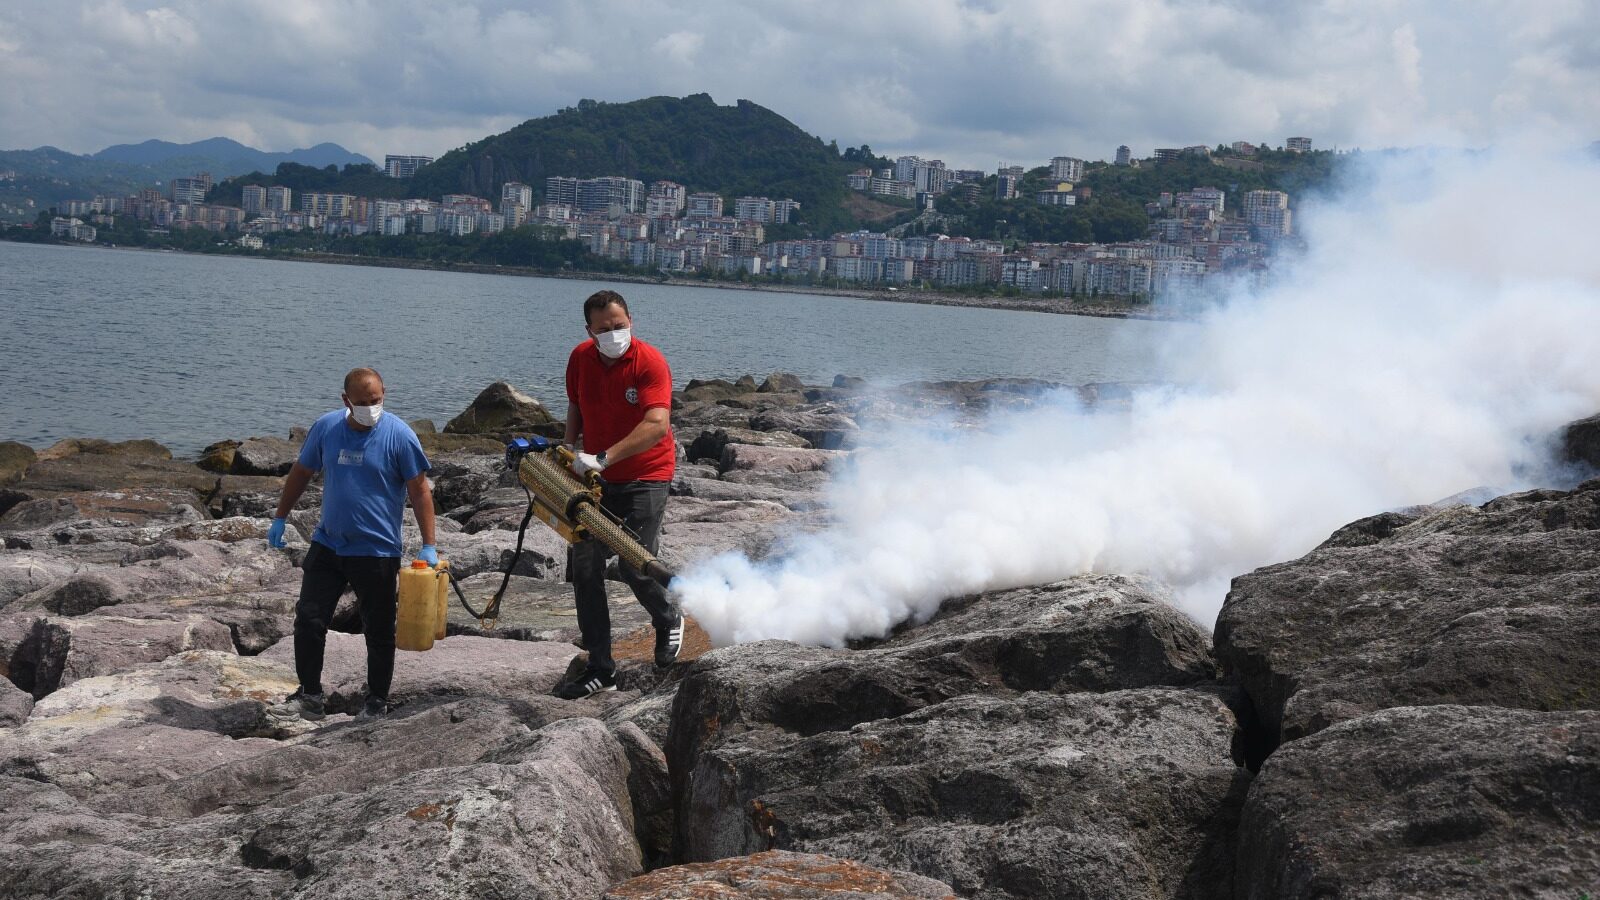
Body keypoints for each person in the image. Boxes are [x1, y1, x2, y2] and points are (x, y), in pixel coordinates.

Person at [267, 367, 435, 719]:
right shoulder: (327, 428)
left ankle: (376, 701)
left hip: (376, 551)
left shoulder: (399, 436)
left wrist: (428, 544)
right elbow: (302, 471)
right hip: (328, 544)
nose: (370, 408)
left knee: (377, 630)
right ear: (346, 401)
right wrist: (281, 516)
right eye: (362, 402)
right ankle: (310, 696)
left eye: (376, 400)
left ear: (384, 393)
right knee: (309, 621)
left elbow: (419, 490)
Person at [558, 289, 683, 699]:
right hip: (597, 479)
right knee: (586, 568)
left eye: (620, 325)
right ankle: (601, 667)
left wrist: (603, 457)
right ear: (589, 331)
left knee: (633, 562)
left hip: (646, 474)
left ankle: (667, 619)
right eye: (604, 329)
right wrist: (569, 448)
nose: (614, 334)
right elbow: (576, 403)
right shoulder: (580, 358)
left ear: (631, 321)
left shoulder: (648, 362)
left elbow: (657, 425)